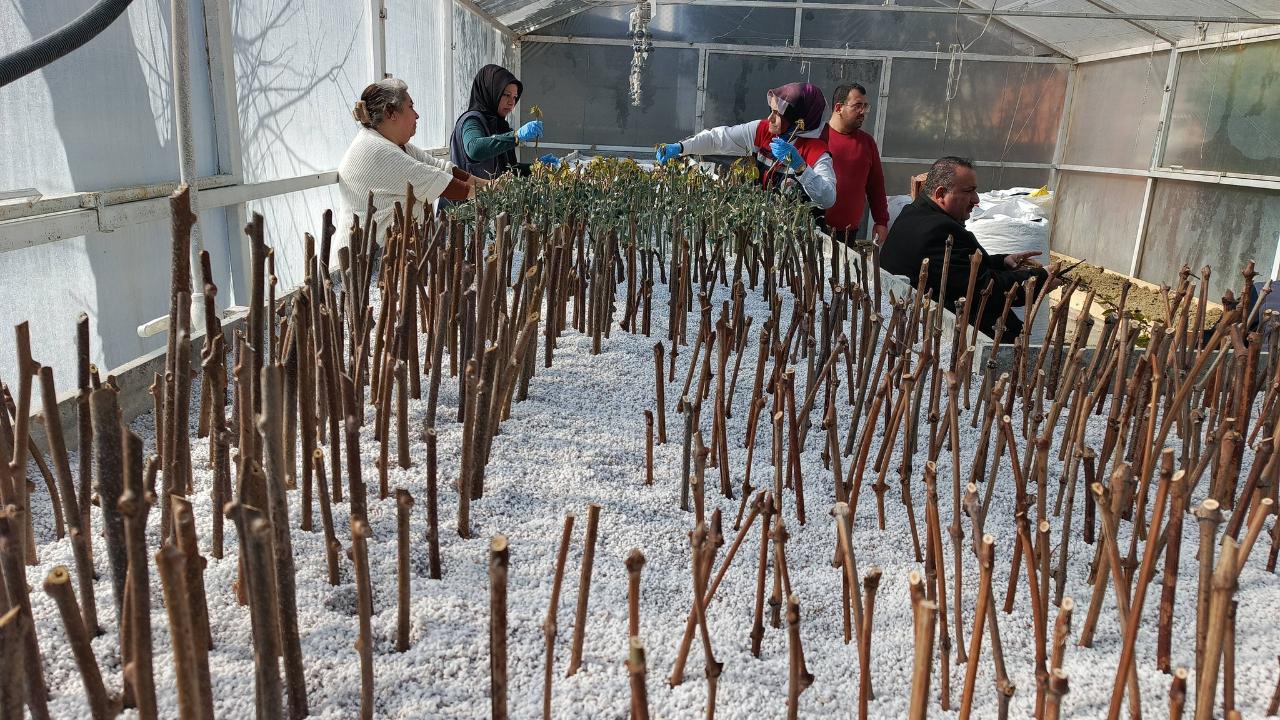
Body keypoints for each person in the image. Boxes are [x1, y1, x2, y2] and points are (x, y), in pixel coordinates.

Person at [880, 156, 1048, 341]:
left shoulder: (914, 213)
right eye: (969, 191)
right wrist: (1041, 279)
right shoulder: (939, 231)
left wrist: (1002, 262)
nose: (976, 200)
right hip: (948, 337)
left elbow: (958, 268)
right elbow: (985, 290)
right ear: (941, 194)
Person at [338, 78, 485, 244]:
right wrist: (489, 193)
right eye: (410, 107)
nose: (416, 115)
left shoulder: (397, 145)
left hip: (384, 254)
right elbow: (437, 180)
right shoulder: (377, 150)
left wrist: (490, 184)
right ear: (390, 113)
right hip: (363, 262)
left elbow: (441, 168)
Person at [654, 82, 836, 209]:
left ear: (798, 118)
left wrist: (801, 167)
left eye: (777, 114)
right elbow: (718, 139)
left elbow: (828, 199)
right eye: (770, 111)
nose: (770, 118)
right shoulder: (762, 130)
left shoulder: (817, 153)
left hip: (799, 238)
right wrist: (681, 147)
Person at [449, 64, 558, 179]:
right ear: (491, 91)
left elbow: (508, 170)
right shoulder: (472, 120)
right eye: (506, 95)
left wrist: (536, 168)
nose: (511, 102)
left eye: (515, 97)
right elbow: (475, 149)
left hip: (489, 195)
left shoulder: (499, 125)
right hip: (465, 196)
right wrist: (516, 136)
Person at [820, 83, 889, 246]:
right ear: (838, 107)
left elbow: (876, 186)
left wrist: (881, 221)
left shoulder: (867, 143)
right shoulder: (819, 137)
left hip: (848, 232)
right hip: (817, 227)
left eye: (865, 106)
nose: (863, 111)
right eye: (858, 106)